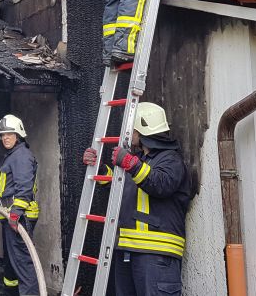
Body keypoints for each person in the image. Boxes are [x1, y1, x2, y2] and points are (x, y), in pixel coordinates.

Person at [82, 102, 193, 296]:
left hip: (157, 254)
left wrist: (131, 164)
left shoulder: (171, 159)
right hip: (127, 249)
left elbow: (160, 184)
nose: (129, 132)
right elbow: (122, 187)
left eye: (132, 127)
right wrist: (99, 169)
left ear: (142, 130)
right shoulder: (140, 160)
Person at [0, 114, 40, 295]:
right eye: (2, 135)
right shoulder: (12, 156)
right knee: (11, 264)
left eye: (9, 134)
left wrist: (16, 212)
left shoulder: (21, 156)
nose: (5, 138)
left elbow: (24, 187)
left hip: (19, 217)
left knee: (23, 264)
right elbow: (8, 186)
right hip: (11, 216)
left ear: (18, 135)